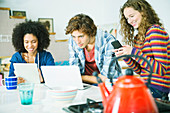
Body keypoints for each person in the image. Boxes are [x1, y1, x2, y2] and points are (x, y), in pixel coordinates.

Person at [114, 0, 170, 100]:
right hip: (145, 85)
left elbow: (161, 70)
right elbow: (140, 70)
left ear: (143, 12)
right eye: (127, 18)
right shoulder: (138, 38)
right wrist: (127, 57)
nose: (129, 21)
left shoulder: (155, 32)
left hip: (157, 89)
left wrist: (133, 52)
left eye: (132, 16)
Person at [65, 14, 121, 84]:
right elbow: (74, 71)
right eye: (74, 36)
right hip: (85, 84)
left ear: (90, 33)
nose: (77, 41)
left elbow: (106, 77)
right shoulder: (73, 40)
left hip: (109, 85)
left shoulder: (108, 41)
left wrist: (80, 77)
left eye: (81, 36)